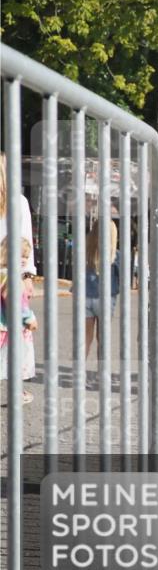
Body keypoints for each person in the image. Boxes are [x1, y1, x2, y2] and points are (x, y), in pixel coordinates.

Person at [0, 153, 37, 403]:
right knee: (17, 331)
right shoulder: (19, 202)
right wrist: (27, 276)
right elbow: (26, 243)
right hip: (10, 275)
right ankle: (16, 387)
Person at [1, 238, 38, 403]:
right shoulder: (12, 277)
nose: (24, 259)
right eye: (21, 255)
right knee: (16, 361)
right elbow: (14, 300)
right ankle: (18, 394)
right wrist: (29, 318)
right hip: (11, 328)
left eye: (26, 256)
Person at [84, 220, 121, 358]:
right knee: (102, 338)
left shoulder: (86, 253)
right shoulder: (116, 256)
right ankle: (102, 373)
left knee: (86, 338)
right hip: (106, 298)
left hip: (85, 297)